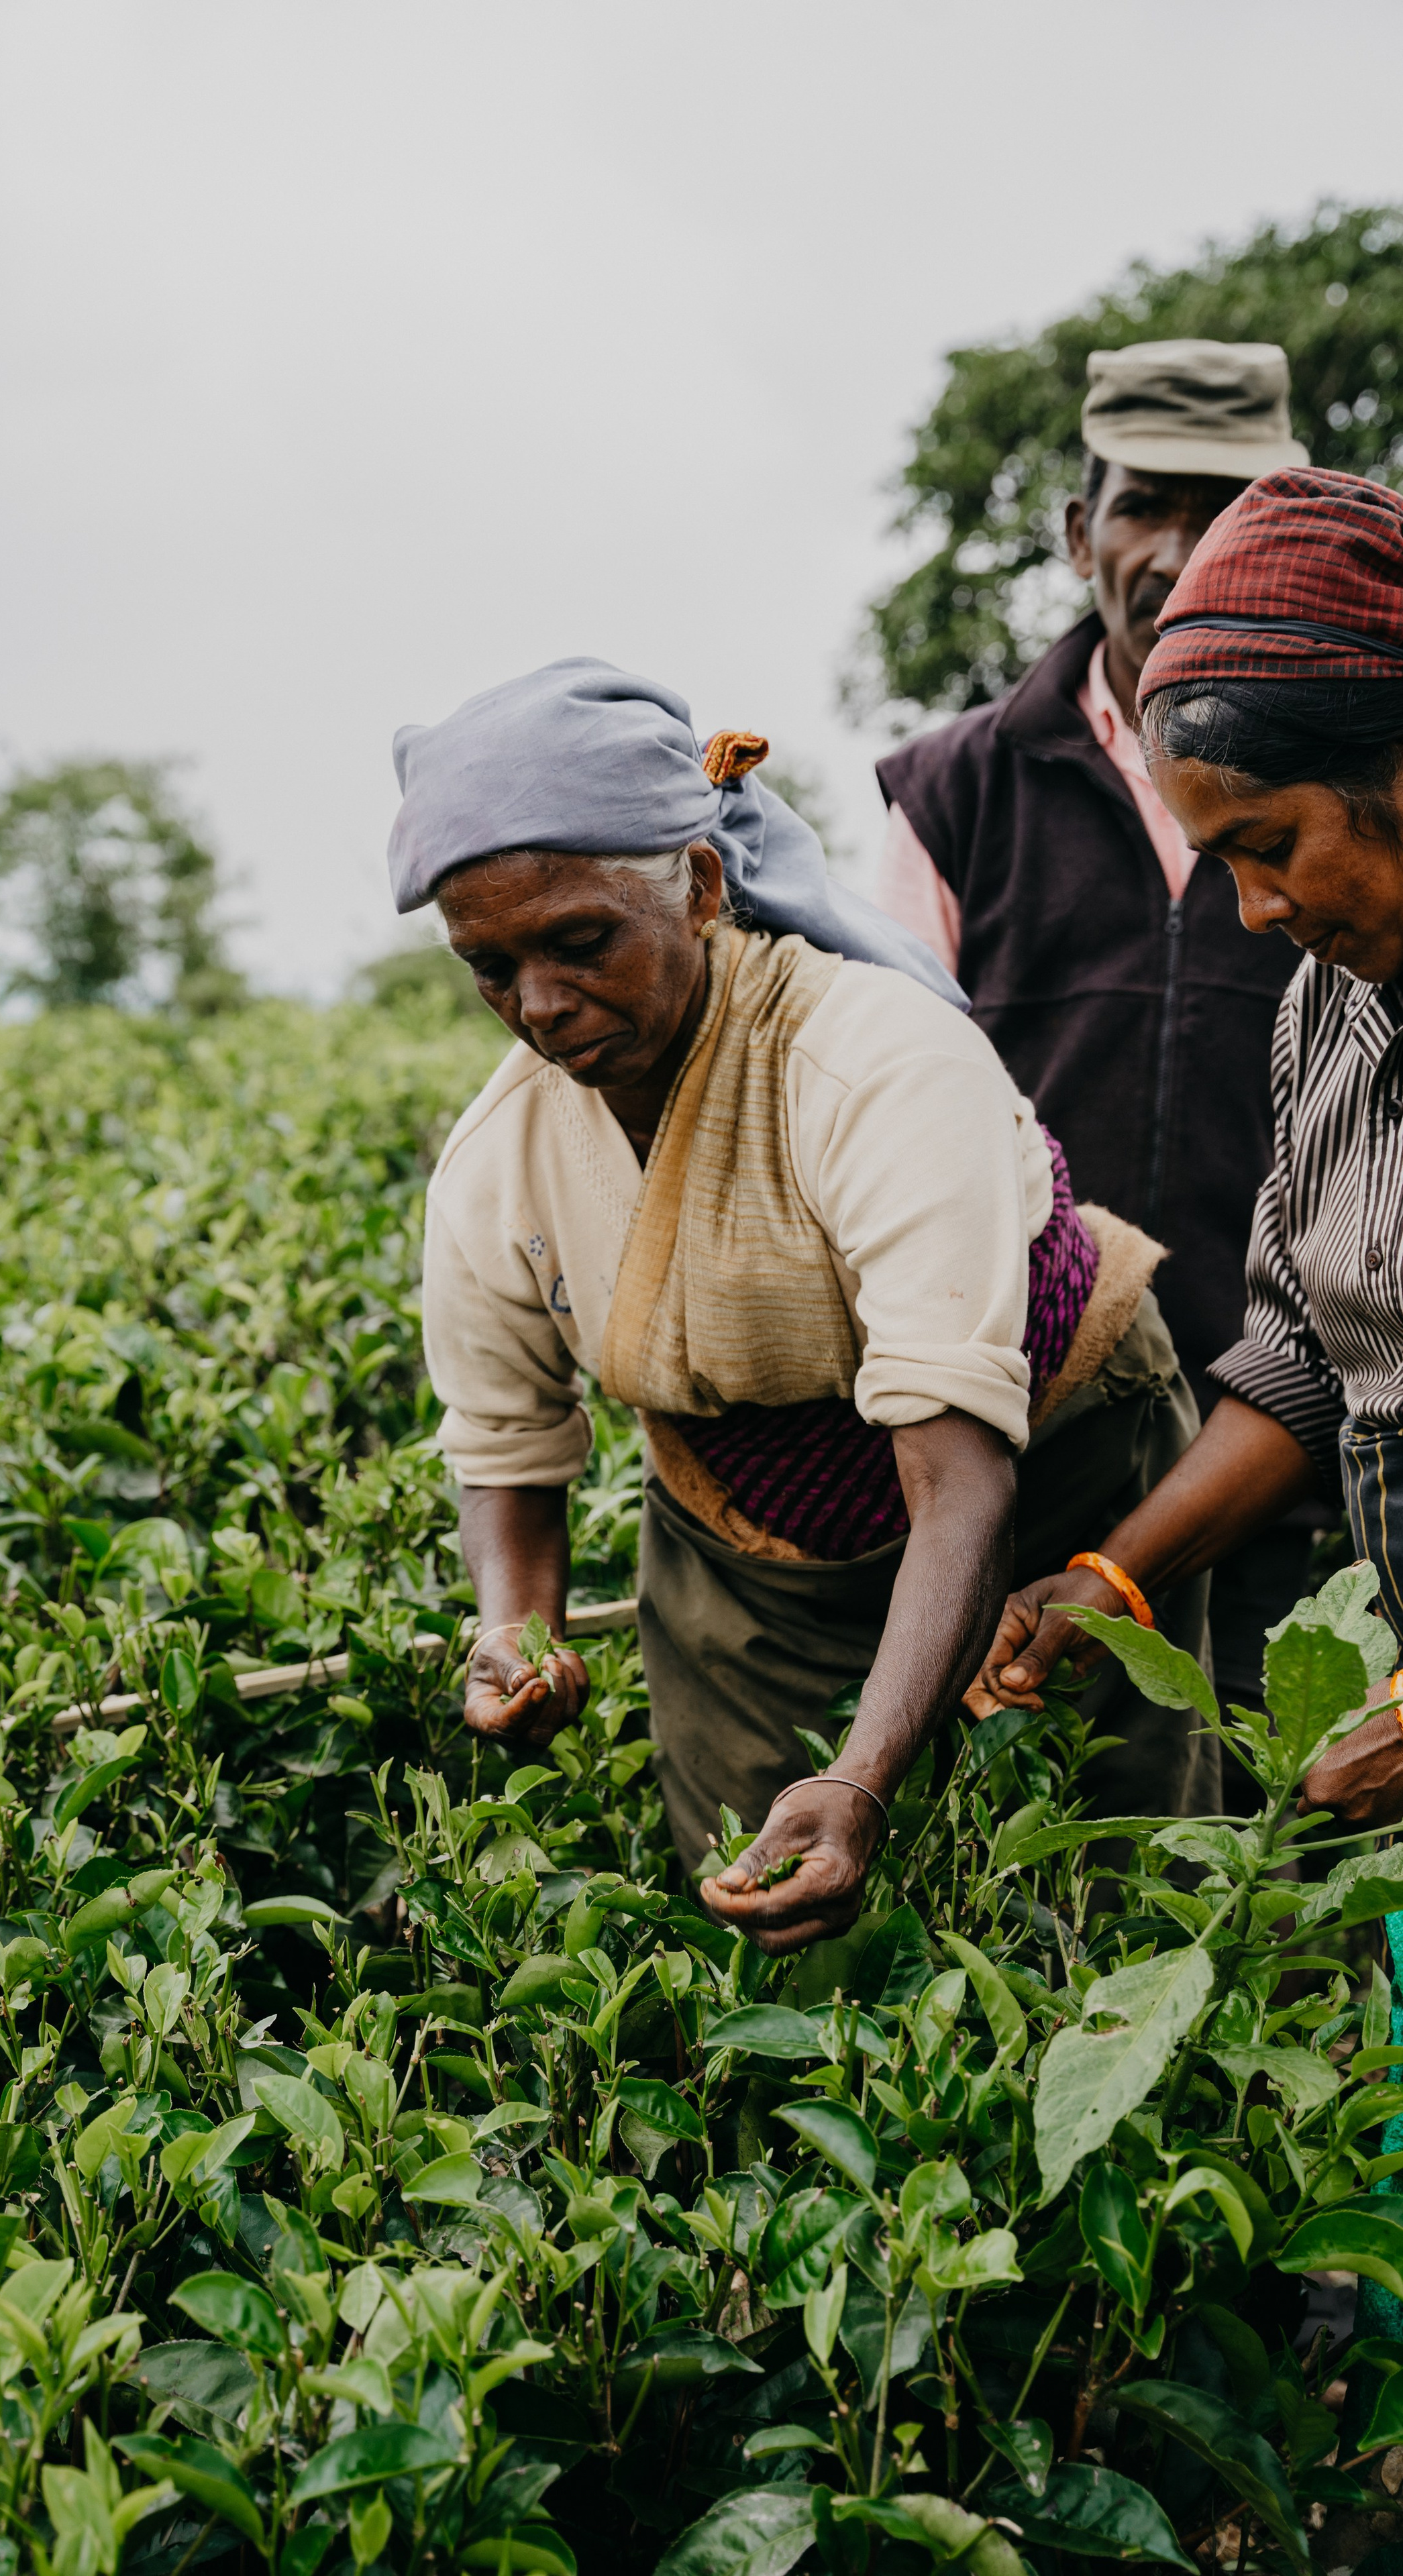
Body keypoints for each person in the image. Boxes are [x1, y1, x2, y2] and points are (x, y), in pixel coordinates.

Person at [392, 657, 1216, 1955]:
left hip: (1049, 1469)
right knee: (776, 1933)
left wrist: (862, 1778)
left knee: (1100, 1905)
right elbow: (507, 1451)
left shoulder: (871, 1065)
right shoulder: (502, 1164)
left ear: (703, 889)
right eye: (490, 966)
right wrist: (516, 1633)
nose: (539, 1006)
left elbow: (959, 1487)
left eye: (580, 941)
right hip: (750, 1538)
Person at [874, 341, 1312, 1717]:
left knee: (1287, 1865)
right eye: (1142, 504)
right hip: (1032, 1447)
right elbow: (888, 1108)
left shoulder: (1345, 780)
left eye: (1222, 505)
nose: (1177, 546)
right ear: (1079, 532)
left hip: (1299, 1449)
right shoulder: (955, 792)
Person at [972, 466, 1403, 1833]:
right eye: (1216, 861)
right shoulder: (1327, 1011)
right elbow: (1302, 1365)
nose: (1253, 908)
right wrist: (1114, 1579)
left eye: (1267, 845)